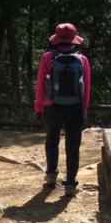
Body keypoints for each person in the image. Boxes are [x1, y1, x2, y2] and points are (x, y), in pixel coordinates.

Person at [34, 23, 91, 196]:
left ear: (56, 39)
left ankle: (51, 175)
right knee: (73, 145)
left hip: (52, 106)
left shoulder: (47, 57)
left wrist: (39, 108)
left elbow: (40, 86)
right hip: (75, 107)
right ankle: (71, 184)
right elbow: (86, 88)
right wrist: (84, 109)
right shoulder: (82, 60)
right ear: (74, 40)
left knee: (52, 140)